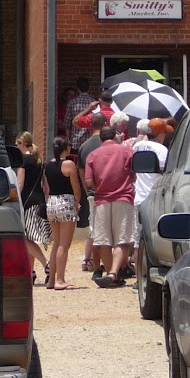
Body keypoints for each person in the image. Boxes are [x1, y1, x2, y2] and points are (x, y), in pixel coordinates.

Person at [85, 126, 137, 288]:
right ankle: (114, 273)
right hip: (123, 197)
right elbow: (134, 175)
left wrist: (99, 186)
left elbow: (89, 181)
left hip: (102, 199)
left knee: (104, 241)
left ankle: (110, 274)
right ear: (115, 136)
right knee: (122, 240)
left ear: (100, 138)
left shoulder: (93, 155)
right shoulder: (127, 152)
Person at [42, 137, 85, 290]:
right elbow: (76, 189)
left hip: (52, 203)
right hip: (66, 203)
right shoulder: (69, 164)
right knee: (64, 245)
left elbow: (46, 187)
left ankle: (51, 280)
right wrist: (77, 203)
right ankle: (60, 280)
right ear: (65, 148)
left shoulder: (48, 165)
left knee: (56, 243)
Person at [132, 117, 171, 269]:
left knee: (138, 242)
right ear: (160, 134)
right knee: (157, 238)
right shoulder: (162, 150)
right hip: (156, 200)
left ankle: (139, 277)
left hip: (138, 198)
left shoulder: (137, 147)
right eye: (164, 133)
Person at [14, 131, 52, 284]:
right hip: (39, 201)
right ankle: (30, 272)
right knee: (30, 238)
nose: (16, 146)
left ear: (22, 144)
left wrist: (14, 200)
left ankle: (46, 264)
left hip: (27, 202)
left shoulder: (23, 160)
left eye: (17, 144)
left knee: (25, 238)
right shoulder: (39, 161)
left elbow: (20, 184)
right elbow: (46, 186)